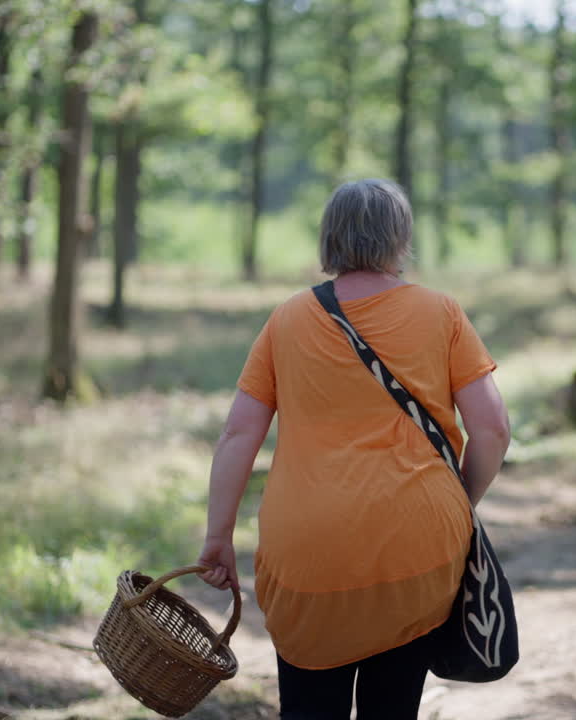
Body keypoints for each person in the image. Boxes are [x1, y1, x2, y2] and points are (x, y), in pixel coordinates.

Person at [196, 178, 511, 719]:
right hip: (415, 537)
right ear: (400, 239)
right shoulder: (441, 313)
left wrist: (218, 535)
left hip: (307, 551)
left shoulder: (287, 320)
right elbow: (494, 429)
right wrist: (459, 504)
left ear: (329, 238)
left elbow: (238, 435)